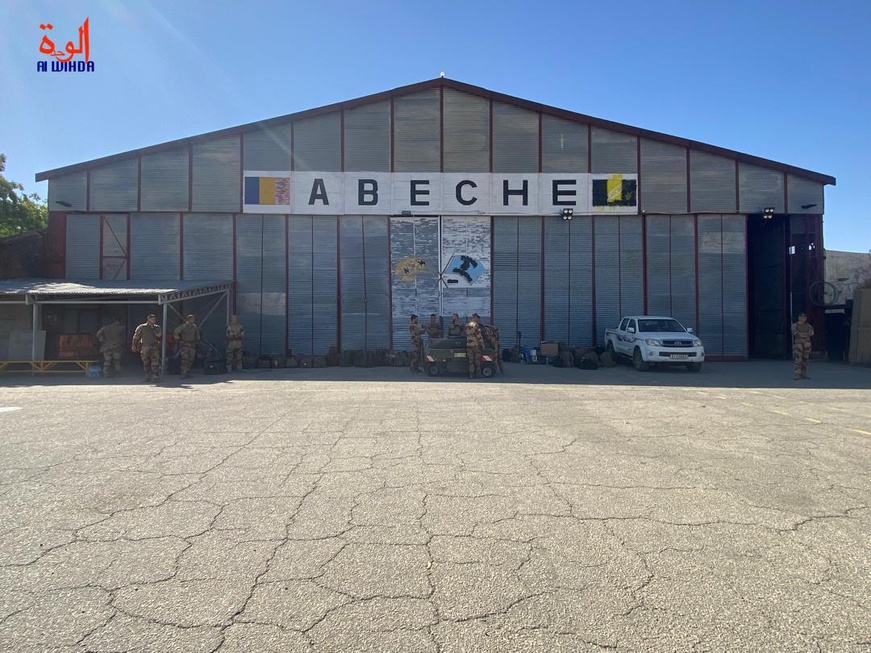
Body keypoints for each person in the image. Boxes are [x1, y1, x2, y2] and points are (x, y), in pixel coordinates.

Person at [132, 314, 162, 382]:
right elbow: (136, 337)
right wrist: (134, 345)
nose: (154, 321)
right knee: (146, 362)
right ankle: (147, 376)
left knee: (155, 362)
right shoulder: (142, 327)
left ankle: (155, 376)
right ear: (148, 319)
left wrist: (153, 329)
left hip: (154, 346)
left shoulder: (157, 327)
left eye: (155, 319)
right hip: (145, 346)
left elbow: (159, 335)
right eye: (152, 319)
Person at [173, 314, 201, 378]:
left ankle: (188, 372)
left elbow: (197, 335)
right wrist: (178, 340)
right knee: (184, 360)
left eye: (194, 319)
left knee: (191, 360)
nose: (193, 320)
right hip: (185, 345)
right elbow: (175, 332)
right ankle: (183, 373)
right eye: (192, 319)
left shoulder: (195, 327)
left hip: (192, 345)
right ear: (188, 319)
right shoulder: (183, 326)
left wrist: (197, 341)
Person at [791, 312, 814, 380]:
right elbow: (795, 333)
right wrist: (804, 335)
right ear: (798, 317)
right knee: (798, 359)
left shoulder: (808, 325)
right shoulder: (795, 325)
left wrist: (804, 335)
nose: (803, 318)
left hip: (807, 344)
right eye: (801, 316)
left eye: (805, 317)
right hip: (798, 344)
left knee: (805, 359)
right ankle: (797, 373)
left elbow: (812, 333)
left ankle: (803, 373)